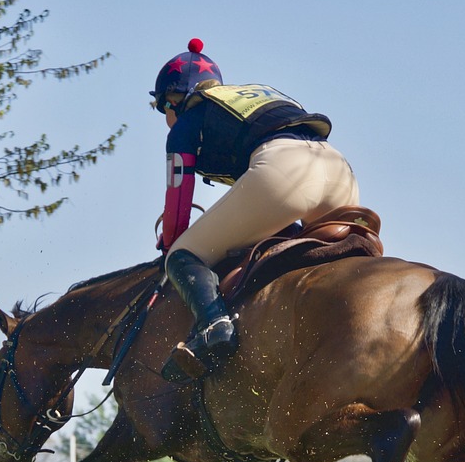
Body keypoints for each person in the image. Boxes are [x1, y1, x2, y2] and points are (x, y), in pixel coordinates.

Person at [152, 38, 360, 382]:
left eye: (163, 109)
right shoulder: (247, 98)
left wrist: (172, 248)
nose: (167, 119)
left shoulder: (189, 119)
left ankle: (215, 326)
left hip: (284, 170)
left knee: (183, 254)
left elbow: (178, 200)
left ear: (173, 100)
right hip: (339, 170)